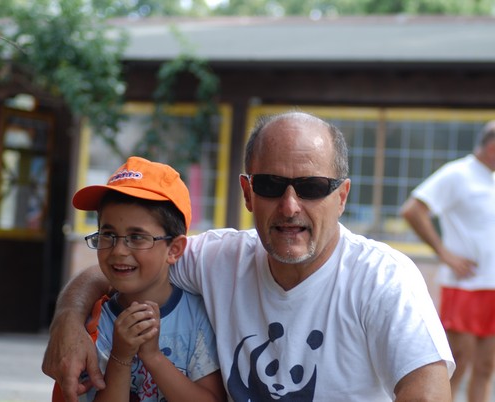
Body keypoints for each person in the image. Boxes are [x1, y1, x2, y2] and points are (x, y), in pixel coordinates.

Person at [43, 111, 455, 402]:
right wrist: (68, 318)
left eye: (312, 186)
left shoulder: (383, 278)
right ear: (247, 193)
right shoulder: (219, 258)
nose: (291, 206)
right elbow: (127, 265)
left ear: (342, 196)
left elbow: (426, 393)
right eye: (272, 184)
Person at [53, 156, 226, 402]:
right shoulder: (92, 323)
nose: (119, 251)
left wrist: (153, 356)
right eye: (108, 234)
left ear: (174, 250)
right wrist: (121, 356)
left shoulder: (198, 314)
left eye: (137, 237)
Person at [400, 120, 495, 402]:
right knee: (457, 365)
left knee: (487, 367)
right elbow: (412, 210)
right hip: (464, 287)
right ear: (492, 149)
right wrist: (444, 253)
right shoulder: (457, 174)